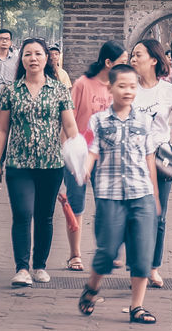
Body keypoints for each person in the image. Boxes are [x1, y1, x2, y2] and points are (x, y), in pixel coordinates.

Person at [0, 37, 80, 287]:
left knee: (44, 216)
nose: (33, 59)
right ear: (22, 59)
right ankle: (22, 268)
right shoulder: (11, 90)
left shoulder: (59, 90)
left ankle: (39, 265)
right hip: (19, 163)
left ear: (46, 58)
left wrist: (80, 158)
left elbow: (70, 126)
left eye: (38, 54)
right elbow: (2, 129)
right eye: (28, 54)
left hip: (51, 164)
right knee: (22, 213)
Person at [77, 63, 161, 325]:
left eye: (133, 86)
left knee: (142, 253)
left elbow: (150, 160)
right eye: (122, 86)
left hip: (141, 194)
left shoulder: (146, 121)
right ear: (110, 88)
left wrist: (155, 197)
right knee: (107, 250)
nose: (127, 91)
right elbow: (91, 149)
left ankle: (137, 307)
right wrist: (85, 170)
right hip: (109, 194)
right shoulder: (98, 120)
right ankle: (92, 287)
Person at [128, 38, 172, 288]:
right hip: (131, 159)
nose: (133, 59)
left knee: (158, 215)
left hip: (159, 159)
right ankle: (137, 264)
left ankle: (152, 268)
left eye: (138, 55)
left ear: (154, 59)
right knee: (133, 214)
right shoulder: (127, 86)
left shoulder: (170, 90)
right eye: (132, 55)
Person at [61, 40, 127, 271]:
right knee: (76, 204)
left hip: (108, 157)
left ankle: (107, 251)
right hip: (80, 154)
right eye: (122, 62)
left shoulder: (120, 87)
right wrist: (67, 153)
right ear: (108, 63)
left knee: (107, 205)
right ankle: (74, 254)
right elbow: (68, 119)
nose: (126, 66)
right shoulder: (82, 84)